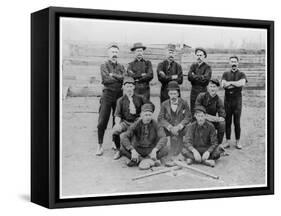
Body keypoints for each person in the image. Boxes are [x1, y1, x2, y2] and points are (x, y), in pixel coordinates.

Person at [96, 43, 125, 156]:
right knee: (102, 121)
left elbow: (124, 78)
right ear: (108, 54)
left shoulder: (121, 67)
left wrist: (114, 75)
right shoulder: (104, 65)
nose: (114, 54)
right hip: (107, 95)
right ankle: (99, 145)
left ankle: (114, 141)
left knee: (116, 120)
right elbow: (105, 80)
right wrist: (117, 78)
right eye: (112, 52)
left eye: (116, 52)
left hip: (119, 95)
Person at [120, 103, 169, 170]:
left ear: (152, 116)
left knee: (166, 149)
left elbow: (164, 137)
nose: (148, 117)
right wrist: (132, 150)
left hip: (151, 150)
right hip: (138, 149)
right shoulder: (136, 124)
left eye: (150, 115)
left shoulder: (156, 124)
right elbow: (124, 136)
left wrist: (155, 149)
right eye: (146, 115)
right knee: (122, 149)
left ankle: (139, 161)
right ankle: (147, 160)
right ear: (141, 115)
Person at [112, 76, 145, 160]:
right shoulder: (120, 100)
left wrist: (142, 116)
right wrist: (117, 124)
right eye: (127, 86)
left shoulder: (140, 98)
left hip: (137, 121)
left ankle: (140, 150)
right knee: (115, 130)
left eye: (131, 86)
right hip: (126, 122)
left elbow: (146, 109)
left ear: (134, 87)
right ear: (123, 87)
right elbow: (117, 115)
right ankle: (118, 150)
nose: (129, 89)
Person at [158, 81, 192, 158]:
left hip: (180, 128)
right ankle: (161, 149)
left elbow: (188, 117)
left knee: (190, 128)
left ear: (178, 94)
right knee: (159, 129)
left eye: (174, 94)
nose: (173, 96)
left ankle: (187, 148)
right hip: (169, 128)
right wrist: (170, 127)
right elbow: (160, 118)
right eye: (171, 94)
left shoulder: (184, 103)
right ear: (168, 94)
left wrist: (179, 126)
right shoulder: (164, 104)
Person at [221, 56, 247, 149]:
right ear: (229, 63)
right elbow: (223, 84)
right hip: (227, 100)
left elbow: (242, 83)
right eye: (232, 61)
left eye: (235, 61)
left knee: (237, 121)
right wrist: (236, 83)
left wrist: (230, 83)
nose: (233, 63)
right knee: (227, 121)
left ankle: (238, 142)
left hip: (237, 101)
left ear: (238, 62)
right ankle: (227, 141)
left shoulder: (242, 74)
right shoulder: (225, 73)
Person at [195, 78, 226, 145]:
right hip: (199, 120)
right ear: (207, 87)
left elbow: (222, 117)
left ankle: (218, 144)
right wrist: (215, 118)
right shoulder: (201, 96)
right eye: (211, 86)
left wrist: (210, 118)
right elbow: (198, 111)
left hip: (211, 122)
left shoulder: (219, 100)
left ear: (218, 88)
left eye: (214, 86)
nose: (212, 89)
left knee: (222, 124)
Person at [188, 47, 212, 117]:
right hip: (193, 92)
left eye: (200, 55)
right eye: (197, 55)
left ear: (204, 56)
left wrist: (194, 76)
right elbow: (189, 77)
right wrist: (200, 77)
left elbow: (205, 79)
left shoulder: (207, 67)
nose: (199, 57)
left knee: (202, 111)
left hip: (203, 92)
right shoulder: (193, 66)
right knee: (193, 111)